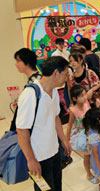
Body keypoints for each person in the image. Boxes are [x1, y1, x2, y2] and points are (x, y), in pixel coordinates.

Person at [16, 56, 72, 191]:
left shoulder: (54, 91)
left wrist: (64, 140)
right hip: (39, 157)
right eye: (65, 74)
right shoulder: (31, 94)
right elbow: (21, 130)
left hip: (54, 151)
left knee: (57, 187)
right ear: (55, 73)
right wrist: (31, 160)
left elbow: (55, 117)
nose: (67, 78)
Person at [66, 85, 99, 184]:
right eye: (81, 96)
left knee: (95, 151)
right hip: (83, 135)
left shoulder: (86, 103)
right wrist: (67, 140)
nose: (84, 97)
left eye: (85, 94)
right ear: (75, 98)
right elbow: (69, 125)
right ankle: (88, 173)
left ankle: (95, 167)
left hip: (92, 131)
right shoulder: (73, 111)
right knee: (87, 156)